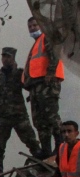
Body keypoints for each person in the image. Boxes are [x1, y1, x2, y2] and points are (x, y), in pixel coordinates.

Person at [0, 46, 40, 174]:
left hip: (19, 116)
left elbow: (29, 86)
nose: (5, 59)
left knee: (32, 143)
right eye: (3, 56)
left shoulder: (19, 73)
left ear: (13, 58)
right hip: (1, 119)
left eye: (8, 56)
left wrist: (18, 71)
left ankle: (41, 166)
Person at [24, 15, 65, 159]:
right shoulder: (35, 45)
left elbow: (55, 54)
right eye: (30, 27)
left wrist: (50, 72)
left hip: (47, 83)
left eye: (35, 25)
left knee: (51, 117)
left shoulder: (46, 38)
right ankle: (46, 151)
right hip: (36, 86)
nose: (32, 28)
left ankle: (60, 146)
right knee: (40, 121)